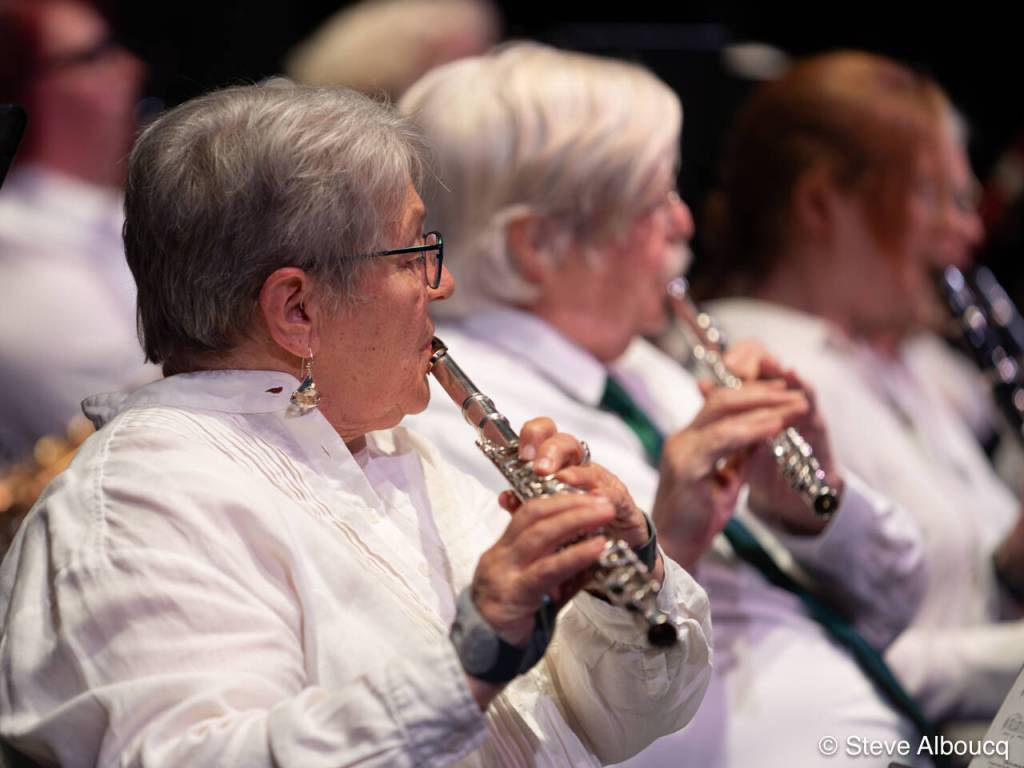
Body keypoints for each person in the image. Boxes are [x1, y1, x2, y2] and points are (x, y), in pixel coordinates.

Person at [0, 82, 713, 767]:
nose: (443, 283)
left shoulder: (391, 451)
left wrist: (630, 576)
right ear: (297, 309)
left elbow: (622, 722)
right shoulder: (141, 506)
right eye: (413, 252)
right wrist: (473, 656)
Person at [400, 42, 930, 767]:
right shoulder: (452, 421)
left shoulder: (648, 367)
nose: (685, 224)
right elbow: (544, 722)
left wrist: (811, 508)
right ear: (538, 246)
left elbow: (896, 605)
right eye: (655, 201)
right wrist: (667, 546)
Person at [702, 50, 1024, 722]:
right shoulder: (764, 377)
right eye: (939, 197)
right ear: (823, 203)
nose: (968, 228)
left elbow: (969, 586)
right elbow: (839, 664)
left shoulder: (907, 363)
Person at [0, 0, 157, 466]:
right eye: (94, 57)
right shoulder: (20, 256)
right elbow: (135, 432)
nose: (130, 69)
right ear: (23, 87)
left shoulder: (109, 208)